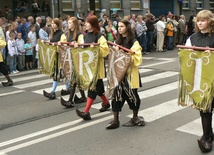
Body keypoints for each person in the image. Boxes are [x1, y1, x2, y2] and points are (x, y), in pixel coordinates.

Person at [106, 19, 145, 129]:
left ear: (127, 27)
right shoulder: (117, 40)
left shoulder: (134, 42)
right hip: (119, 74)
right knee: (117, 96)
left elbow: (137, 58)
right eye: (118, 26)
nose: (119, 28)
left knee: (132, 96)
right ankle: (115, 120)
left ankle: (135, 117)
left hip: (129, 74)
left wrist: (123, 53)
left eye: (122, 26)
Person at [184, 10, 214, 153]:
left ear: (210, 21)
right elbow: (186, 55)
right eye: (198, 20)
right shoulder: (192, 37)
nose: (200, 23)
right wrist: (189, 53)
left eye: (203, 20)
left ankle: (209, 134)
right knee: (205, 109)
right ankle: (207, 136)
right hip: (201, 78)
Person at [75, 15, 110, 120]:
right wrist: (77, 45)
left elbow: (105, 51)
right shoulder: (85, 36)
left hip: (97, 68)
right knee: (98, 89)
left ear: (93, 24)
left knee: (92, 88)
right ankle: (106, 103)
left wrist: (95, 48)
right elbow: (84, 49)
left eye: (87, 22)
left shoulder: (100, 36)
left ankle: (86, 112)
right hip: (89, 67)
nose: (85, 24)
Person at [60, 17, 87, 108]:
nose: (68, 24)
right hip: (71, 59)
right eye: (68, 23)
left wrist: (77, 45)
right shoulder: (68, 34)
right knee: (76, 80)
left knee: (73, 80)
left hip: (77, 60)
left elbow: (82, 46)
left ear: (75, 24)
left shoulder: (79, 34)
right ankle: (83, 97)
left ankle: (70, 101)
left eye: (70, 23)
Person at [43, 18, 67, 100]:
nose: (52, 25)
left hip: (59, 55)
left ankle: (53, 92)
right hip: (54, 55)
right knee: (61, 73)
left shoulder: (62, 34)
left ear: (58, 24)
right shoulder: (52, 33)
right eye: (52, 23)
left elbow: (63, 46)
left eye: (54, 23)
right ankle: (68, 89)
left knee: (59, 73)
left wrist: (56, 46)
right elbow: (51, 42)